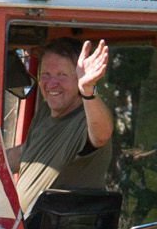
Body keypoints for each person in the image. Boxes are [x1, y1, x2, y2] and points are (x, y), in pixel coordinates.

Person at [13, 38, 113, 212]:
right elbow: (26, 151)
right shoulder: (46, 111)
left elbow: (101, 134)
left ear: (78, 78)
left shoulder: (85, 119)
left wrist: (88, 90)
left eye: (62, 75)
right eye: (46, 74)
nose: (52, 83)